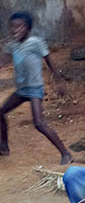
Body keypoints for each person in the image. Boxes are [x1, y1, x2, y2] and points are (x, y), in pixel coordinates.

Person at [0, 11, 72, 164]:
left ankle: (65, 153)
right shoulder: (11, 45)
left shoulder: (36, 42)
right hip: (21, 90)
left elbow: (50, 62)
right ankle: (4, 145)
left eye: (19, 26)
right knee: (1, 112)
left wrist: (58, 82)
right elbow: (3, 61)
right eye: (12, 27)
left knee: (39, 123)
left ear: (28, 28)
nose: (15, 30)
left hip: (34, 89)